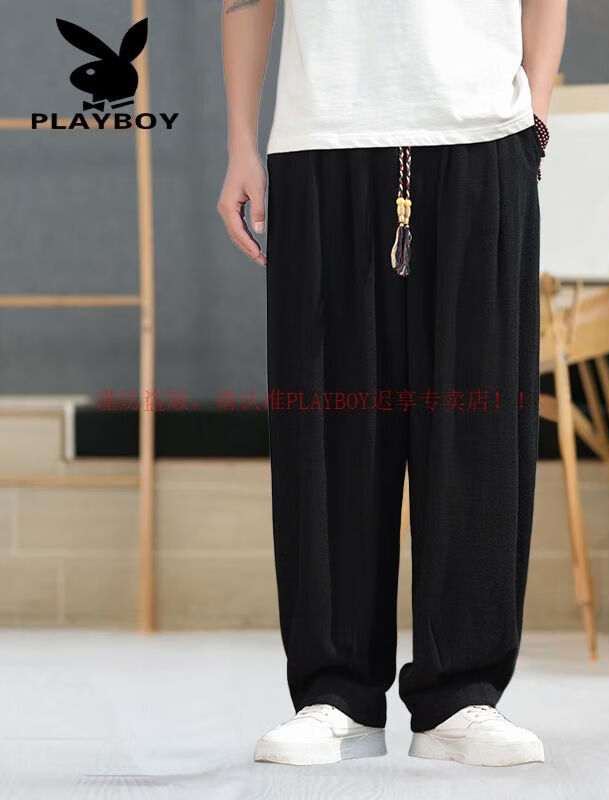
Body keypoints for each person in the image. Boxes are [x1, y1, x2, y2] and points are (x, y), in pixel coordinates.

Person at [218, 0, 567, 767]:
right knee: (329, 428)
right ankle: (335, 694)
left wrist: (535, 115)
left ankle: (461, 696)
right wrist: (242, 143)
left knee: (478, 426)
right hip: (322, 136)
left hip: (484, 138)